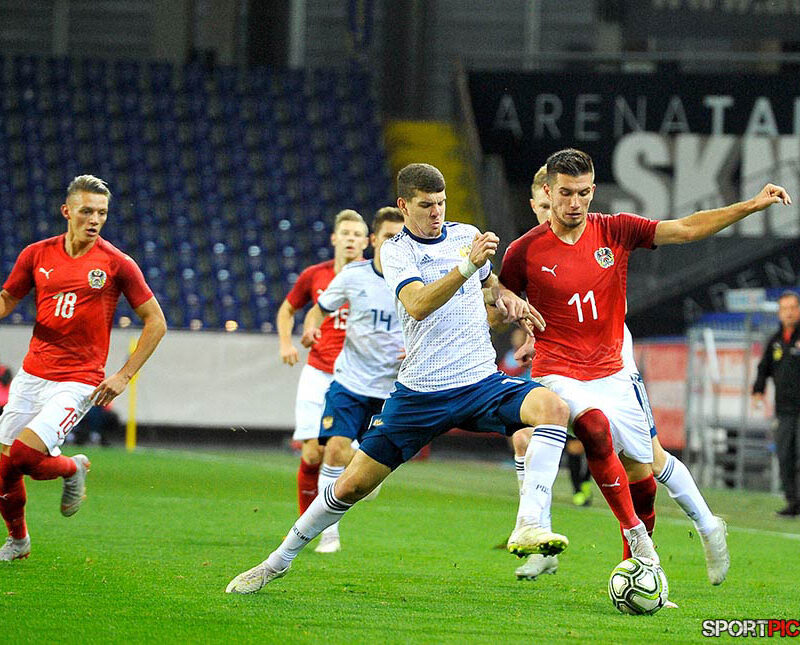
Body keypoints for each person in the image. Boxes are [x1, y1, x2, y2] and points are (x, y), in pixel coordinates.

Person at [226, 162, 571, 594]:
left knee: (554, 408)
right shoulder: (396, 251)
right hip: (421, 393)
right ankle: (277, 562)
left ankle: (530, 524)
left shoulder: (466, 235)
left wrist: (506, 298)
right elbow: (418, 305)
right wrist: (466, 269)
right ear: (404, 206)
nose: (436, 213)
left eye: (442, 204)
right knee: (351, 484)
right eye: (426, 205)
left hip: (480, 381)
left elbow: (488, 283)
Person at [501, 148, 790, 584]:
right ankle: (541, 523)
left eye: (583, 193)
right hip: (558, 370)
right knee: (587, 428)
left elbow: (687, 229)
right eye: (565, 194)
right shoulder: (523, 251)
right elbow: (501, 299)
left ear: (593, 191)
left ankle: (692, 538)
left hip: (613, 372)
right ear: (547, 192)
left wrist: (750, 205)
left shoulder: (615, 231)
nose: (574, 203)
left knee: (646, 468)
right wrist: (512, 319)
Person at [0, 175, 167, 561]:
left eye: (102, 213)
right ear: (67, 211)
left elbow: (156, 321)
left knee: (24, 457)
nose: (95, 219)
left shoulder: (116, 263)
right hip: (32, 374)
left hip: (78, 380)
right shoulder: (36, 255)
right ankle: (19, 542)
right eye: (87, 211)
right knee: (5, 471)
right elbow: (9, 297)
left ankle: (71, 468)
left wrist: (124, 375)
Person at [299, 207, 406, 553]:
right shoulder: (353, 276)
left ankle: (364, 465)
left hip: (391, 390)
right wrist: (312, 324)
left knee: (368, 472)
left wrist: (416, 351)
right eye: (389, 237)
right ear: (373, 240)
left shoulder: (415, 282)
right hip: (349, 382)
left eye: (401, 238)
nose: (395, 244)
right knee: (332, 448)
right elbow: (320, 307)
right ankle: (329, 533)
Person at [275, 210, 369, 519]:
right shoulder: (315, 275)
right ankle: (308, 523)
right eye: (346, 234)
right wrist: (286, 342)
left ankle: (331, 522)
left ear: (367, 242)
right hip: (318, 371)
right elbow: (288, 309)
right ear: (334, 239)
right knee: (313, 451)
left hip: (356, 378)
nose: (351, 240)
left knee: (337, 451)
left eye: (357, 235)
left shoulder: (375, 279)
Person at [752, 290, 800, 517]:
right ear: (780, 313)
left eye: (792, 308)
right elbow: (763, 368)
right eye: (784, 309)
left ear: (798, 310)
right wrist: (758, 390)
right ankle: (793, 503)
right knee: (785, 456)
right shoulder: (775, 342)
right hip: (785, 411)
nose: (789, 313)